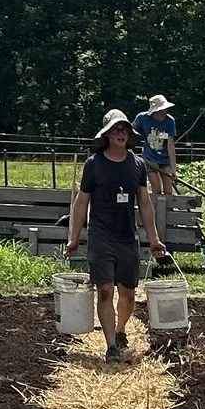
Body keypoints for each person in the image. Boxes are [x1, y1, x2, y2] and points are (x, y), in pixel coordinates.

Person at [66, 108, 171, 362]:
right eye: (115, 130)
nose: (120, 133)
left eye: (124, 129)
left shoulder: (137, 165)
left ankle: (121, 329)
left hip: (126, 236)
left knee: (128, 292)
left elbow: (144, 202)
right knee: (104, 290)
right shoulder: (94, 164)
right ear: (107, 134)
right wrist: (74, 237)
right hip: (101, 236)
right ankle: (111, 345)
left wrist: (154, 239)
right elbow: (81, 203)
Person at [135, 94, 181, 196]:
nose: (164, 113)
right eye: (161, 111)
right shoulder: (142, 118)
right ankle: (155, 206)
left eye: (165, 110)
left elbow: (170, 146)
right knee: (156, 189)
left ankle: (168, 206)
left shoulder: (170, 121)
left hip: (165, 160)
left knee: (168, 191)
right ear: (155, 112)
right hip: (150, 159)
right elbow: (131, 131)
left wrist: (173, 168)